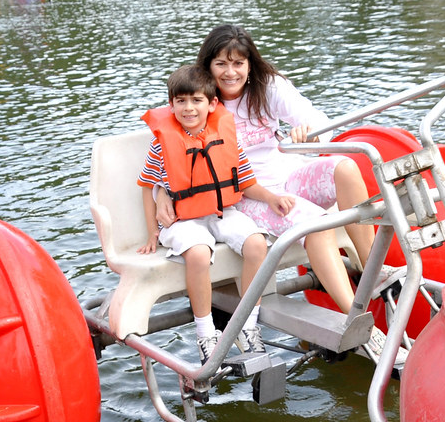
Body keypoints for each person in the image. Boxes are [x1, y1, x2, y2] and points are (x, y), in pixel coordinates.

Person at [171, 25, 394, 333]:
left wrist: (309, 132)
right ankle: (357, 318)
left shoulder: (268, 87)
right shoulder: (201, 101)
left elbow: (315, 119)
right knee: (314, 222)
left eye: (238, 63)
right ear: (208, 65)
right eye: (221, 63)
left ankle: (373, 269)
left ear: (250, 64)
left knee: (344, 167)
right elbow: (171, 150)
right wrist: (159, 197)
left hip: (287, 175)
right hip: (250, 195)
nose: (230, 72)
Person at [138, 64, 277, 364]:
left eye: (196, 100)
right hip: (182, 220)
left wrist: (272, 198)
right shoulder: (161, 144)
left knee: (257, 244)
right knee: (199, 253)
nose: (189, 108)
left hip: (221, 211)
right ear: (171, 104)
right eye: (181, 101)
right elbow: (147, 186)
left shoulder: (226, 136)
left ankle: (247, 326)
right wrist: (152, 232)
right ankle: (206, 334)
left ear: (212, 104)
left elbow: (246, 181)